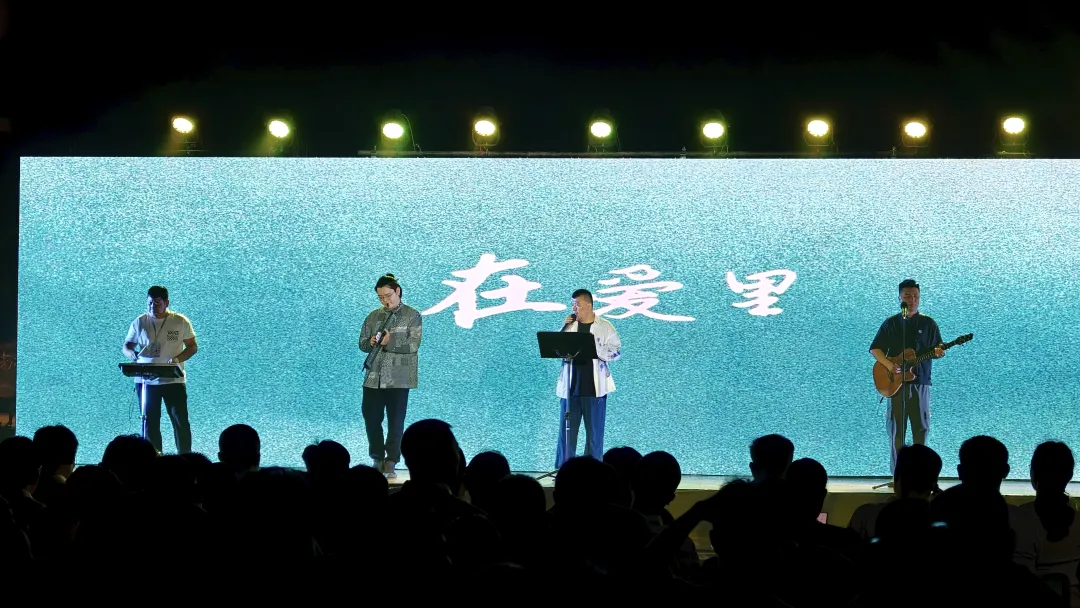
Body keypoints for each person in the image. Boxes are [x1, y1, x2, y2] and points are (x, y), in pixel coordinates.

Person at [869, 279, 943, 474]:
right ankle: (898, 476)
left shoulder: (928, 323)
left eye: (916, 296)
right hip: (895, 385)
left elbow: (938, 348)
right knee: (896, 431)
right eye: (908, 296)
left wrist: (939, 352)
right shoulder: (891, 323)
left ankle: (922, 474)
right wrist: (889, 365)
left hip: (920, 382)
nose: (913, 300)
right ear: (899, 298)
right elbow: (875, 349)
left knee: (921, 428)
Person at [358, 274, 422, 479]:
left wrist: (390, 341)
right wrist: (370, 341)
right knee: (371, 418)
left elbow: (413, 345)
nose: (385, 300)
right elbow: (362, 344)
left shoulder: (412, 315)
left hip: (399, 377)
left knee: (396, 421)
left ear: (397, 291)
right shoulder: (373, 316)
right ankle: (376, 457)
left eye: (388, 295)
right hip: (373, 377)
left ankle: (392, 460)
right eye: (380, 297)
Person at [122, 285, 197, 454]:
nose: (152, 307)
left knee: (180, 421)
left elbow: (192, 346)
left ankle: (185, 457)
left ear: (166, 303)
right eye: (149, 303)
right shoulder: (140, 321)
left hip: (173, 380)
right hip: (146, 380)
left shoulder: (180, 321)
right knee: (150, 422)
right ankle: (154, 459)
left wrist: (177, 359)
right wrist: (131, 354)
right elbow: (126, 346)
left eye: (157, 303)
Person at [555, 289, 621, 468]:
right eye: (573, 305)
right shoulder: (570, 326)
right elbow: (556, 348)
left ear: (589, 305)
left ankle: (594, 472)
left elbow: (616, 351)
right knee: (567, 433)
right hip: (570, 387)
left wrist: (595, 349)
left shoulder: (605, 326)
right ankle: (564, 470)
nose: (574, 308)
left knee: (594, 434)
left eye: (577, 304)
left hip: (594, 388)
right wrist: (563, 329)